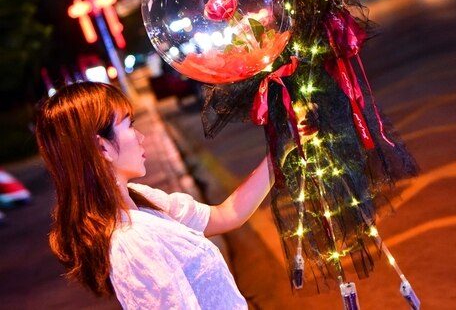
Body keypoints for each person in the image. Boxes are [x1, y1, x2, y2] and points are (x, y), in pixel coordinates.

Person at [34, 80, 277, 309]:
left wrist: (280, 149)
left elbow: (226, 215)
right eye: (129, 125)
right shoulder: (132, 242)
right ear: (102, 147)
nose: (141, 137)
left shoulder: (141, 200)